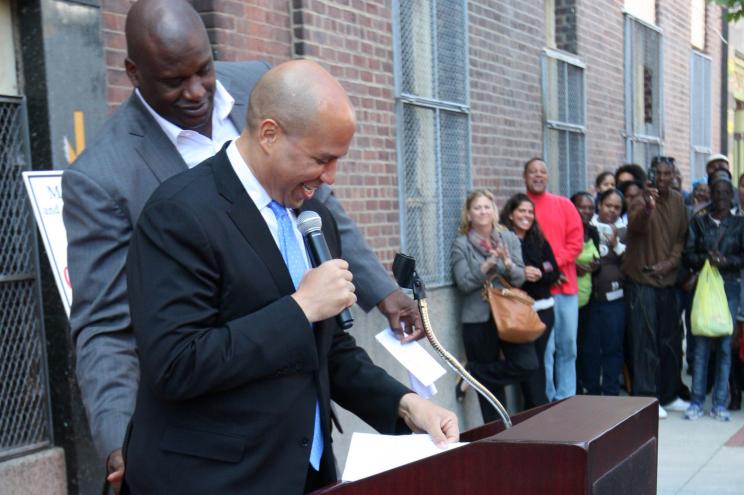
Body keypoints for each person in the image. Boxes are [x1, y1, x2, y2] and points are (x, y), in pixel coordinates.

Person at [61, 0, 421, 489]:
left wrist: (403, 398)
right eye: (174, 80)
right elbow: (112, 330)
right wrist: (119, 442)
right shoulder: (116, 182)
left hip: (299, 459)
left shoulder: (264, 90)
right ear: (133, 72)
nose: (196, 92)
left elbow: (326, 339)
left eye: (204, 70)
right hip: (214, 467)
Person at [121, 59, 459, 494]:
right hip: (214, 480)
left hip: (304, 473)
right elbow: (176, 364)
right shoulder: (180, 214)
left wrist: (407, 405)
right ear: (269, 134)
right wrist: (301, 309)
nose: (330, 177)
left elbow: (328, 350)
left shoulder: (315, 220)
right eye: (322, 159)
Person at [450, 190, 531, 422]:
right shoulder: (461, 244)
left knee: (527, 364)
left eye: (487, 207)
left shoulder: (509, 239)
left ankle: (473, 374)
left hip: (508, 314)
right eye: (477, 208)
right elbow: (464, 283)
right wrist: (487, 264)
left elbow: (519, 278)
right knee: (490, 395)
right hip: (478, 319)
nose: (483, 212)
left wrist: (506, 263)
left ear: (494, 211)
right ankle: (497, 436)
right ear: (469, 214)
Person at [623, 156, 689, 418]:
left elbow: (681, 238)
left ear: (673, 176)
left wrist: (670, 263)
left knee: (671, 341)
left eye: (667, 174)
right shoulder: (640, 200)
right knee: (645, 343)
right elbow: (636, 226)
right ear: (651, 175)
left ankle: (670, 394)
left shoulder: (678, 200)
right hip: (643, 284)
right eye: (658, 174)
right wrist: (649, 207)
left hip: (668, 282)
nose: (662, 179)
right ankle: (647, 399)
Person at [683, 178, 744, 421]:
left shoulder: (740, 224)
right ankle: (697, 401)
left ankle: (719, 402)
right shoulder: (699, 222)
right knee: (700, 344)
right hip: (705, 287)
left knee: (725, 346)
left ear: (731, 196)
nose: (720, 196)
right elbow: (688, 254)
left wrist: (726, 262)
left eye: (724, 192)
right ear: (710, 194)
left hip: (729, 286)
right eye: (715, 192)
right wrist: (707, 259)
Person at [523, 158, 584, 401]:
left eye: (542, 171)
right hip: (537, 293)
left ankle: (566, 398)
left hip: (566, 288)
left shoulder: (564, 205)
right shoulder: (522, 208)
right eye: (532, 172)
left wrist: (553, 266)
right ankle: (545, 400)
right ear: (525, 176)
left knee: (568, 346)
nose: (538, 175)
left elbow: (575, 242)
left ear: (548, 176)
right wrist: (545, 273)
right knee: (544, 350)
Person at [500, 193, 560, 409]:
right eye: (521, 211)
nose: (526, 216)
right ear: (511, 213)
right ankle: (537, 408)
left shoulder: (539, 240)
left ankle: (536, 409)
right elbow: (504, 273)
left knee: (538, 361)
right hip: (517, 310)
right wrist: (522, 272)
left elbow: (553, 269)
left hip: (543, 309)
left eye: (530, 212)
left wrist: (540, 272)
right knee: (527, 362)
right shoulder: (504, 239)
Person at [584, 189, 626, 396]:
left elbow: (628, 262)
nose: (612, 210)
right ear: (599, 204)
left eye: (617, 207)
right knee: (590, 348)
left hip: (615, 300)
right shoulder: (587, 225)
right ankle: (591, 391)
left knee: (613, 347)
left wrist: (616, 244)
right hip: (590, 299)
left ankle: (611, 393)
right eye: (608, 205)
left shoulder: (624, 229)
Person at [570, 192, 600, 394]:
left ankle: (589, 387)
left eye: (590, 207)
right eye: (583, 207)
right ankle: (575, 388)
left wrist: (595, 266)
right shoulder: (568, 230)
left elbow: (598, 259)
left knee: (587, 346)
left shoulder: (594, 232)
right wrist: (575, 268)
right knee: (572, 348)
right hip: (569, 297)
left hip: (589, 298)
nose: (587, 211)